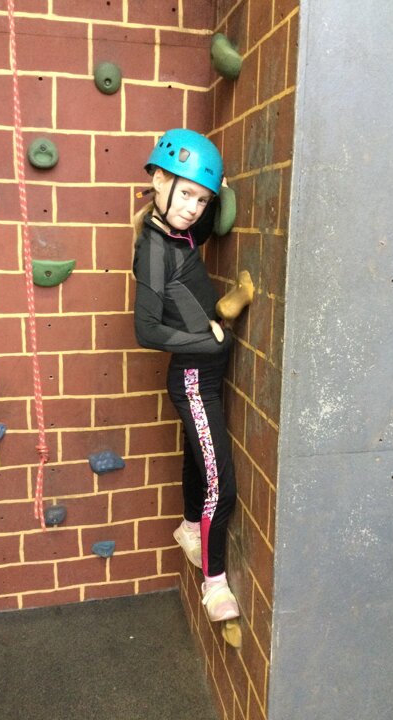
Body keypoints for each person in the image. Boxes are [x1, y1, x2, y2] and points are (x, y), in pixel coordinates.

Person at [132, 128, 239, 622]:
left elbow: (211, 223)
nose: (194, 208)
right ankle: (214, 586)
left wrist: (218, 190)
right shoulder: (154, 249)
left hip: (204, 379)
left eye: (201, 199)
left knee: (200, 463)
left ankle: (191, 527)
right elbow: (147, 330)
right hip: (194, 379)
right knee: (222, 484)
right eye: (186, 194)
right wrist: (209, 341)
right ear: (158, 180)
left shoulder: (179, 235)